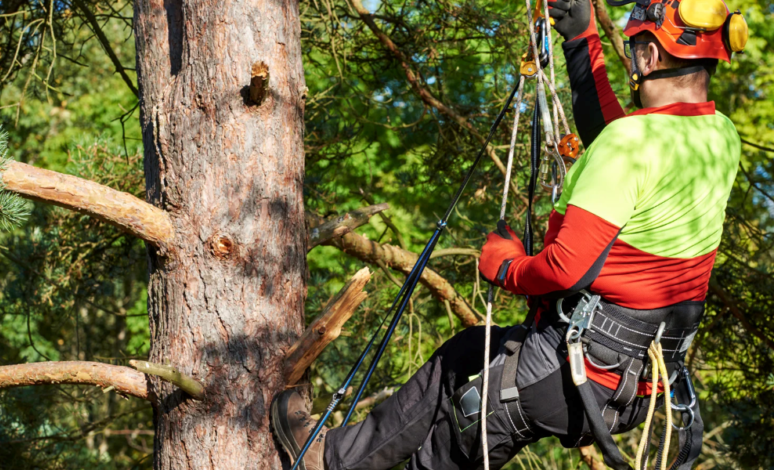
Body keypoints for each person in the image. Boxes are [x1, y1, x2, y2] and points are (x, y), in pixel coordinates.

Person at [271, 1, 747, 469]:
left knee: (445, 450)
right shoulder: (718, 135)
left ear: (649, 56)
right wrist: (581, 42)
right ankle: (334, 457)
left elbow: (566, 269)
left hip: (573, 371)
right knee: (462, 354)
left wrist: (506, 266)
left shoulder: (630, 144)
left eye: (635, 48)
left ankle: (331, 461)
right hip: (634, 383)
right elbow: (624, 139)